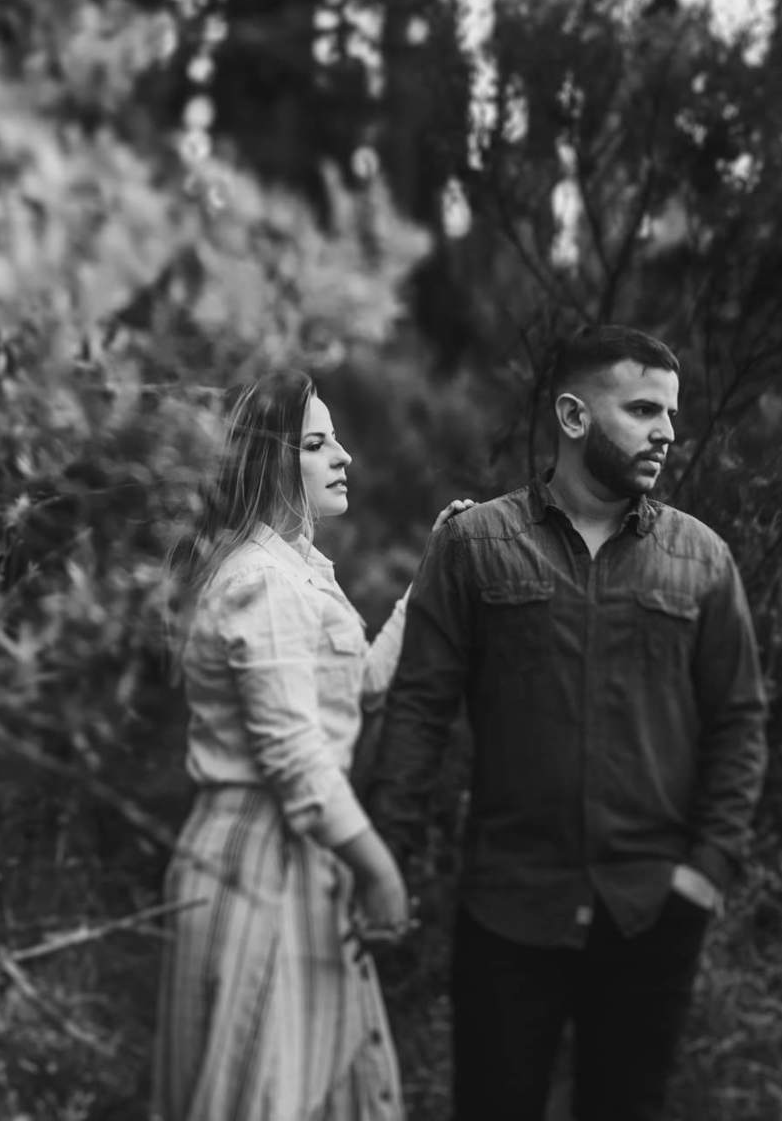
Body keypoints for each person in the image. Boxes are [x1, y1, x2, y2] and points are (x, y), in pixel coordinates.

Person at [368, 325, 768, 1121]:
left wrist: (706, 869)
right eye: (644, 408)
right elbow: (419, 707)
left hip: (651, 910)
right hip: (510, 908)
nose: (667, 431)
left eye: (672, 412)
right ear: (575, 416)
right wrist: (387, 856)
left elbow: (739, 720)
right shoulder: (477, 545)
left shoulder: (702, 560)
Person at [152, 369, 473, 1121]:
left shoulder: (293, 571)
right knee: (263, 1091)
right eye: (320, 444)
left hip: (297, 854)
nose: (346, 458)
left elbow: (356, 683)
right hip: (256, 858)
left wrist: (429, 575)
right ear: (272, 462)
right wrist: (378, 868)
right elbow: (294, 757)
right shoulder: (261, 581)